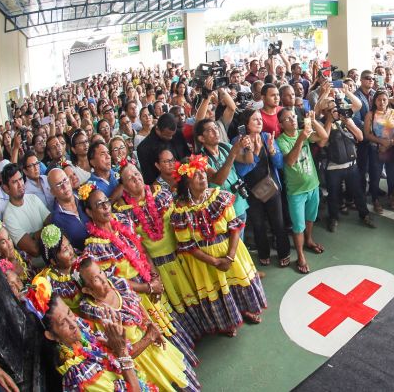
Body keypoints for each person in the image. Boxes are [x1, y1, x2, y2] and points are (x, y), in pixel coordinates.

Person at [170, 155, 267, 335]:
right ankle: (229, 321)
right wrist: (215, 261)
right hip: (205, 262)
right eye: (197, 175)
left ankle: (245, 311)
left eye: (203, 173)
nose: (203, 177)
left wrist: (229, 257)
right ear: (187, 182)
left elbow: (235, 227)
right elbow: (187, 245)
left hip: (230, 251)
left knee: (236, 283)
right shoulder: (180, 210)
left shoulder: (219, 196)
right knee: (219, 290)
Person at [113, 162, 206, 342]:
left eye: (137, 174)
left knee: (196, 289)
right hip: (156, 266)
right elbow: (135, 245)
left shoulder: (161, 193)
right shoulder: (122, 212)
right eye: (130, 178)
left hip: (181, 255)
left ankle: (208, 324)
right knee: (173, 300)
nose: (136, 178)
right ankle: (190, 336)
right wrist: (152, 272)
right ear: (123, 186)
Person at [77, 258, 199, 391]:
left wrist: (151, 326)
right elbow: (118, 352)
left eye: (101, 272)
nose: (103, 279)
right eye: (96, 279)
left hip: (154, 347)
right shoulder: (94, 313)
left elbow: (139, 308)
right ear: (87, 290)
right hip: (138, 364)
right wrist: (149, 337)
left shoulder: (118, 285)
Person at [25, 277, 151, 392]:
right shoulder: (78, 374)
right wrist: (121, 351)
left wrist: (114, 344)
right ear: (51, 335)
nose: (73, 324)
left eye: (69, 313)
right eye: (63, 323)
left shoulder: (85, 338)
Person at [231, 110, 289, 268]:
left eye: (260, 119)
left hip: (271, 187)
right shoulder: (238, 141)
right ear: (246, 124)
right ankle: (264, 253)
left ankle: (284, 252)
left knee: (278, 222)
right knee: (258, 224)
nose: (259, 122)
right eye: (254, 119)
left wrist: (272, 151)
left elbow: (279, 164)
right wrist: (255, 153)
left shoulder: (265, 137)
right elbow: (241, 171)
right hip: (250, 192)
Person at [276, 109, 328, 274]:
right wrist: (301, 138)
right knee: (298, 226)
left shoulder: (302, 131)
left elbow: (323, 137)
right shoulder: (281, 141)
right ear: (281, 124)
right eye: (287, 119)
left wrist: (313, 121)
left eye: (293, 116)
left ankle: (309, 240)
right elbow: (290, 161)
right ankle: (300, 255)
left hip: (312, 184)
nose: (292, 120)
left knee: (310, 218)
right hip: (296, 191)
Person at [322, 98, 375, 231]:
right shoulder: (322, 123)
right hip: (333, 167)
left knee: (358, 192)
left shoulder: (346, 119)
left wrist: (348, 123)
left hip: (351, 165)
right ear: (325, 111)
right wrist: (329, 120)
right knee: (333, 194)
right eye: (330, 109)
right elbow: (322, 143)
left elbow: (360, 137)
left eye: (335, 108)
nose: (334, 111)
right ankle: (333, 218)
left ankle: (364, 215)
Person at [1, 162, 50, 257]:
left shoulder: (33, 198)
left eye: (20, 179)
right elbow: (34, 250)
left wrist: (34, 235)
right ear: (6, 188)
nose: (20, 185)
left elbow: (53, 224)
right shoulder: (8, 217)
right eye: (15, 182)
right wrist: (46, 230)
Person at [365, 90, 394, 212]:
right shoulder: (370, 114)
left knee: (392, 175)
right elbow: (367, 134)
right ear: (375, 101)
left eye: (384, 99)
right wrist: (381, 142)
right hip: (376, 149)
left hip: (392, 148)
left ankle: (391, 196)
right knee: (375, 175)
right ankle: (375, 200)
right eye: (379, 99)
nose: (382, 102)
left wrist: (390, 143)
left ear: (388, 100)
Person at [136, 113, 191, 185]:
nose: (171, 138)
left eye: (172, 134)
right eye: (167, 135)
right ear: (157, 129)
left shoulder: (177, 133)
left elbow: (187, 155)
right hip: (164, 188)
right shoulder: (144, 148)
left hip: (185, 180)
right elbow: (149, 179)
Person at [38, 225, 82, 312]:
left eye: (69, 245)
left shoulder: (79, 255)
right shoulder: (52, 285)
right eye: (65, 250)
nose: (71, 251)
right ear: (53, 261)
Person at [47, 168, 90, 251]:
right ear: (52, 192)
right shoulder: (56, 219)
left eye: (65, 180)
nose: (64, 186)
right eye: (59, 185)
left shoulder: (85, 197)